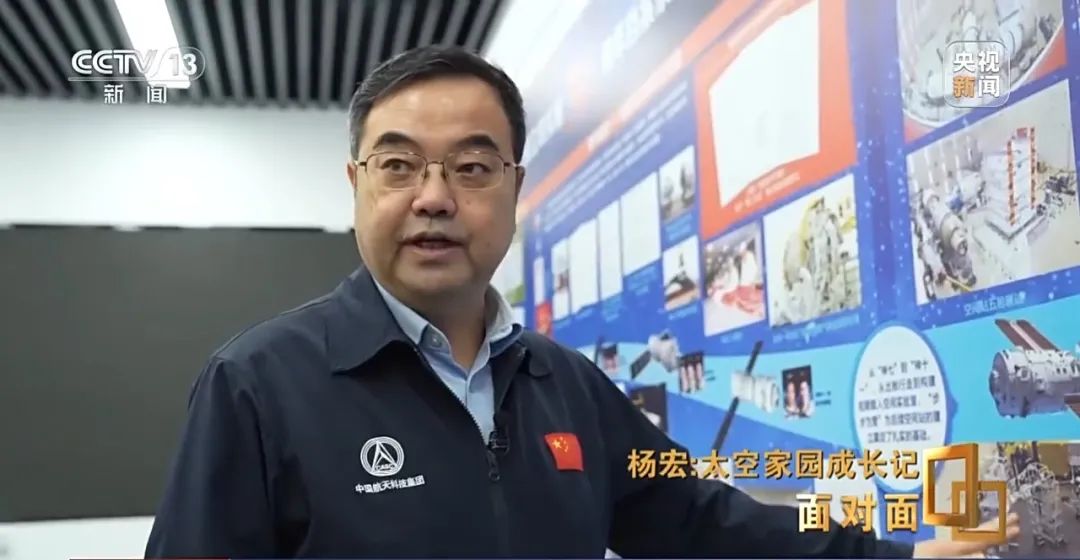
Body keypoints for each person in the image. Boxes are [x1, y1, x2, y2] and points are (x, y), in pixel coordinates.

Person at [145, 45, 1018, 558]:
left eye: (472, 166)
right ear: (357, 184)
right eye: (399, 165)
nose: (434, 197)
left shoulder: (562, 385)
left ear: (514, 188)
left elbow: (703, 524)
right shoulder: (257, 384)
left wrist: (903, 557)